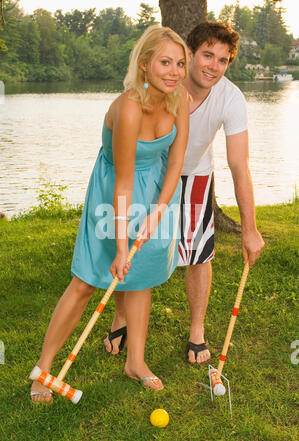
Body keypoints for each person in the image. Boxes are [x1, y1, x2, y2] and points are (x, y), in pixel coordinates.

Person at [30, 25, 189, 402]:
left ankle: (135, 361)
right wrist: (121, 245)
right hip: (115, 189)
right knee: (87, 280)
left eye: (180, 63)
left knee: (141, 275)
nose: (174, 71)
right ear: (146, 64)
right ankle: (44, 369)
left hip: (157, 190)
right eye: (165, 62)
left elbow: (176, 161)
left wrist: (158, 211)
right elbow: (122, 182)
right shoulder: (129, 107)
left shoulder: (179, 99)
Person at [105, 21, 265, 365]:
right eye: (207, 55)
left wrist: (249, 230)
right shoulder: (160, 86)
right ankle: (121, 318)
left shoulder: (231, 97)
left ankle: (196, 331)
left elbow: (240, 165)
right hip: (148, 174)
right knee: (134, 249)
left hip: (195, 176)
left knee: (198, 254)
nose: (213, 66)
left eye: (223, 60)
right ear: (189, 54)